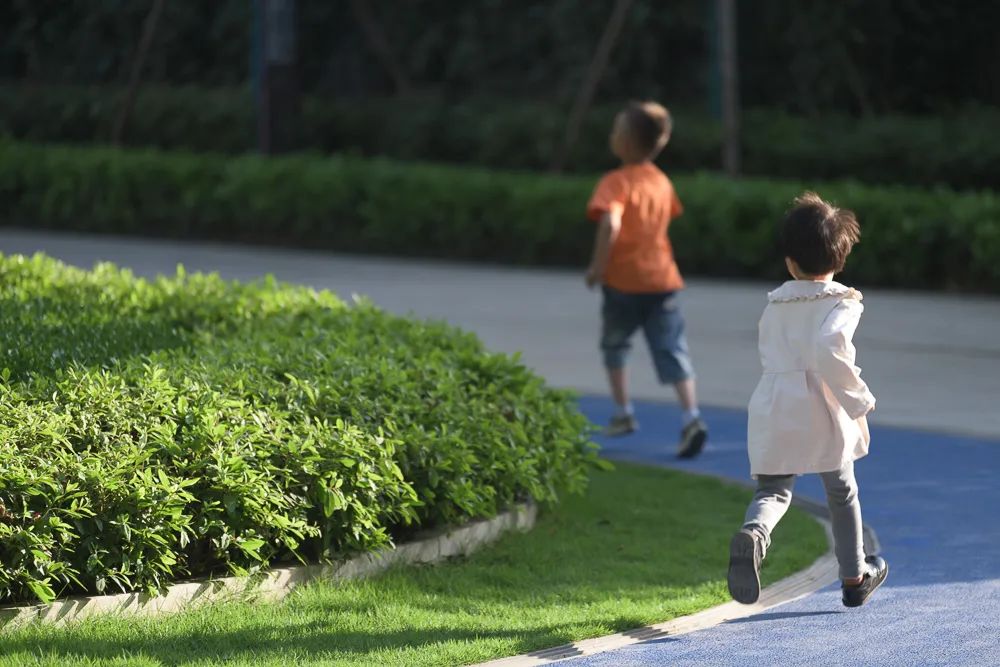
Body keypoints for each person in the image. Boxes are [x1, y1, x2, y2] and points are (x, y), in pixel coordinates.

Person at [728, 192, 888, 608]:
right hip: (821, 406)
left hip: (775, 404)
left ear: (790, 263)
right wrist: (859, 397)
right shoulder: (841, 301)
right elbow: (830, 348)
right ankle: (854, 577)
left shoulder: (776, 303)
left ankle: (755, 533)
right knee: (841, 491)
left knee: (773, 491)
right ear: (839, 260)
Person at [584, 101, 707, 459]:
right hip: (662, 282)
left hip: (622, 283)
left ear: (625, 141)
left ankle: (623, 412)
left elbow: (611, 223)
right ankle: (691, 417)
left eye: (616, 130)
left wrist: (597, 267)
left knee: (615, 346)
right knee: (672, 349)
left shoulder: (615, 182)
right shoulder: (661, 182)